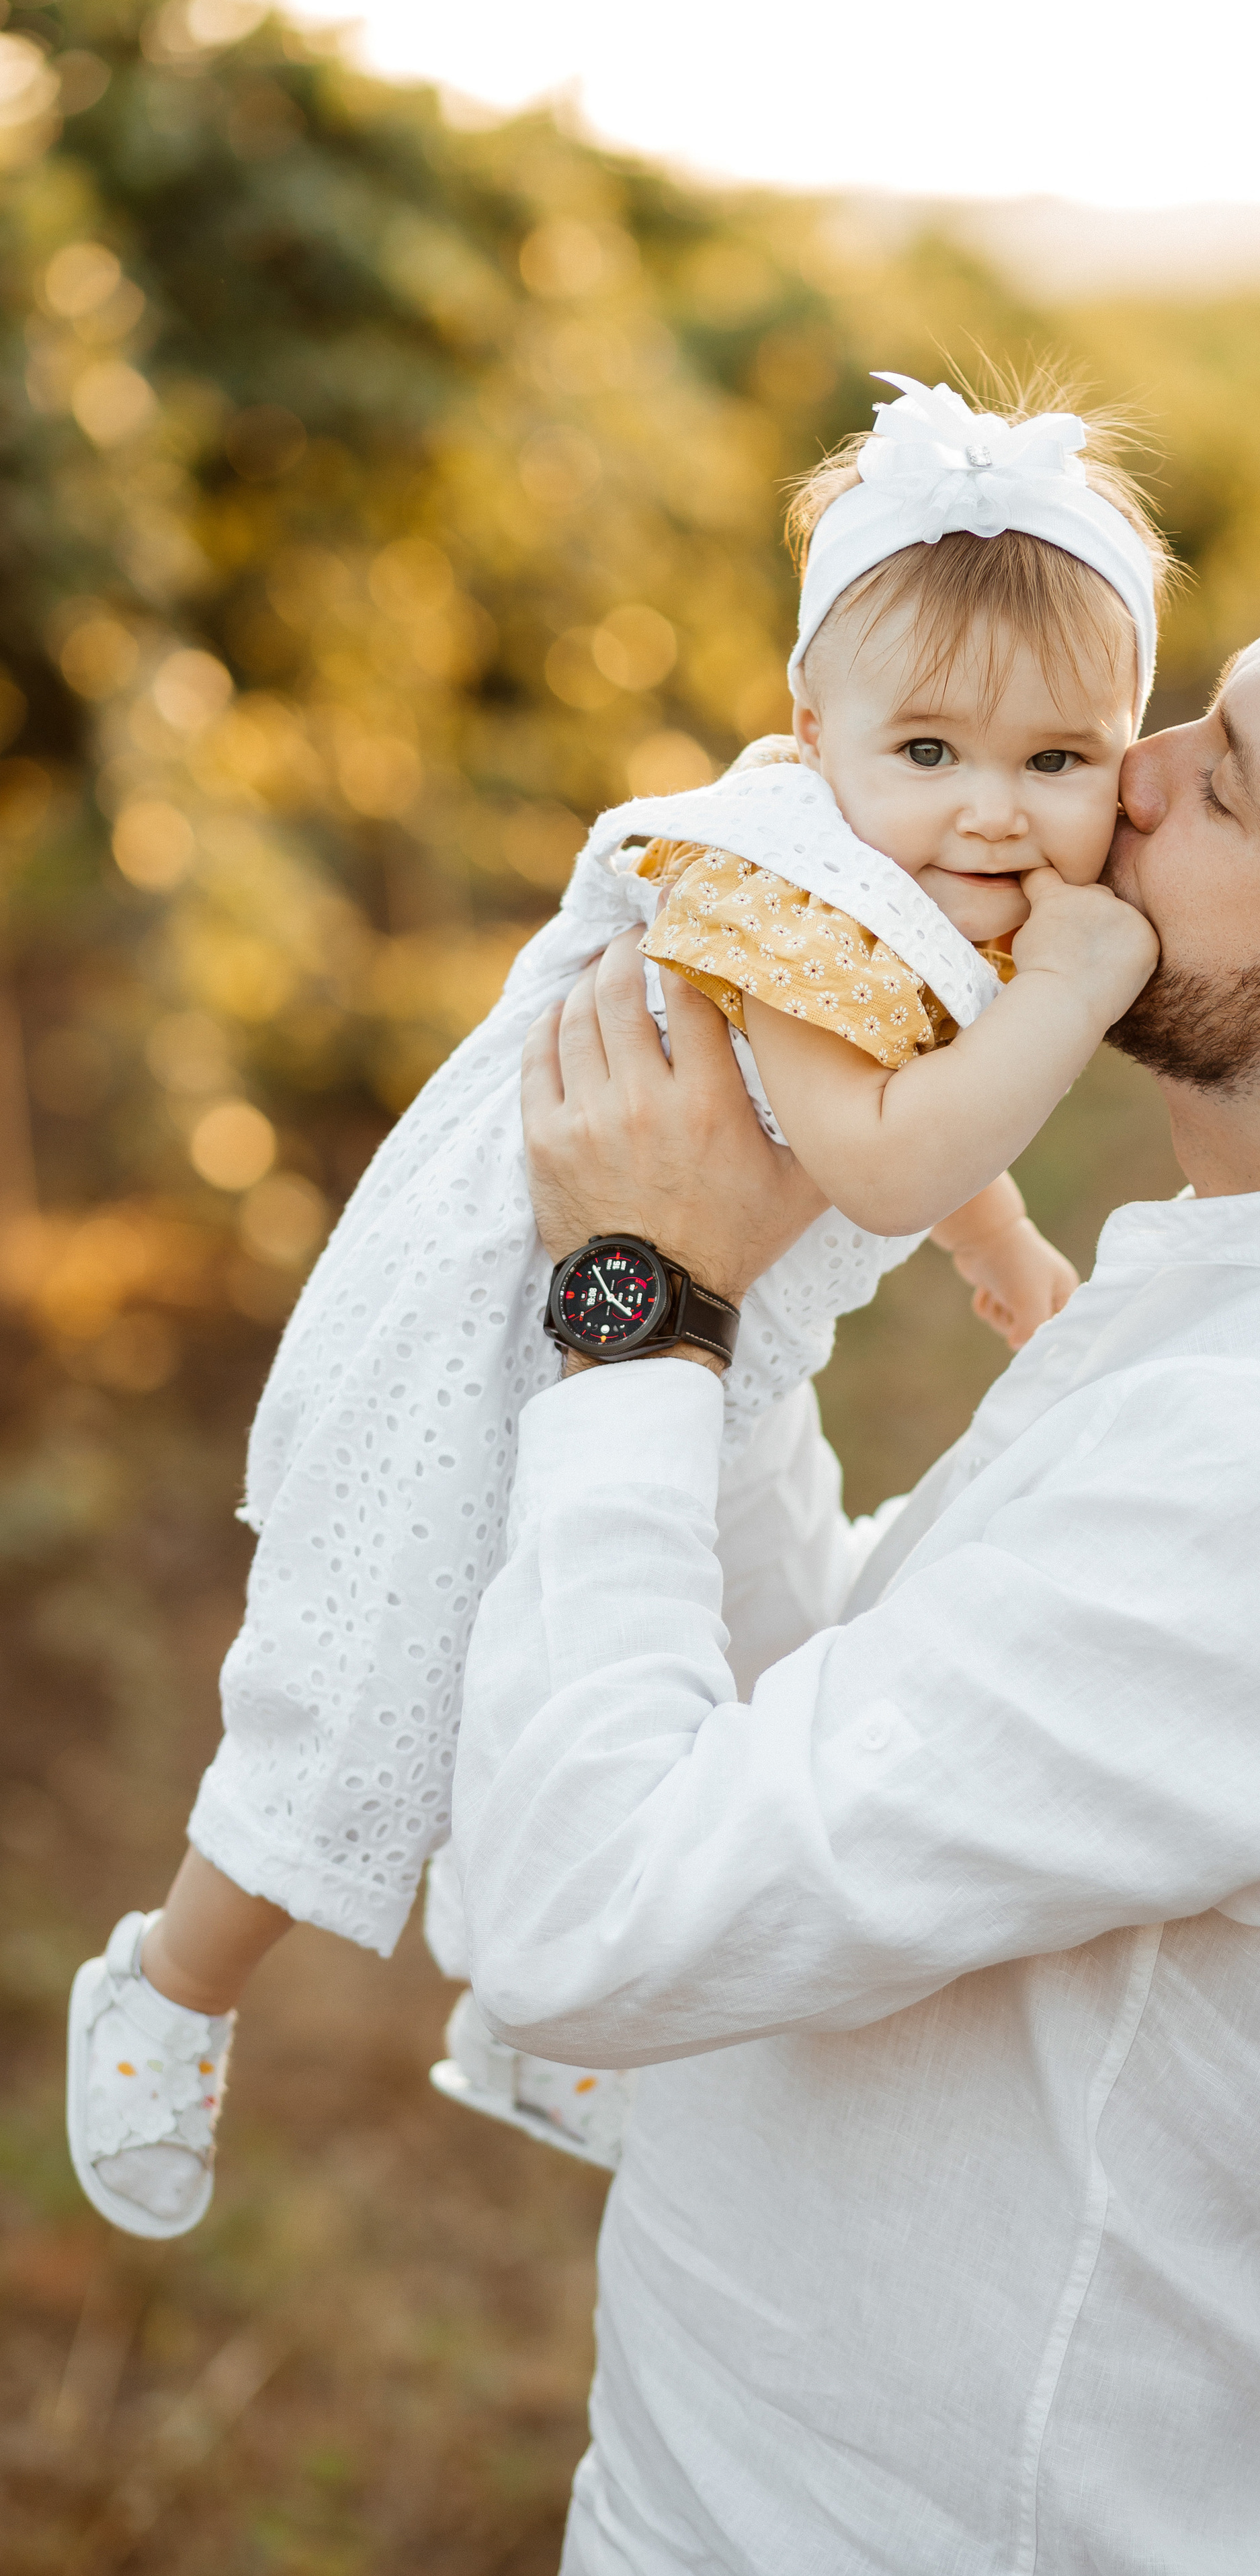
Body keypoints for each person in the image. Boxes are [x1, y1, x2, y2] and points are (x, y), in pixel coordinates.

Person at [450, 540, 1260, 2576]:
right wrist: (742, 1283)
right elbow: (850, 1691)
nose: (1125, 767)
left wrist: (639, 1304)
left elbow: (597, 1919)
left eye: (1222, 783)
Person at [62, 369, 1164, 2232]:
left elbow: (913, 1080)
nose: (992, 814)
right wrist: (1067, 1000)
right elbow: (879, 1149)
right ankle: (170, 1984)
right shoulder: (783, 890)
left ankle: (541, 2006)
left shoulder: (904, 877)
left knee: (746, 1653)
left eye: (1059, 762)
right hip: (506, 1352)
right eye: (931, 752)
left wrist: (1002, 1245)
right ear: (813, 733)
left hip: (703, 1359)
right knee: (380, 1689)